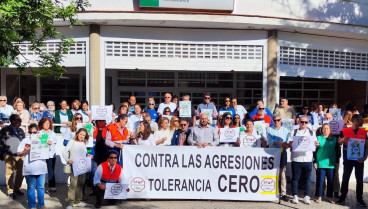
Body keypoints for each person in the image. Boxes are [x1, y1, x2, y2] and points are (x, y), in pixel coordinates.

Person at [337, 115, 368, 207]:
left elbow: (367, 146)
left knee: (359, 180)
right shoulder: (345, 130)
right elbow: (339, 142)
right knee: (345, 178)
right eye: (360, 121)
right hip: (348, 159)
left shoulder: (364, 132)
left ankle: (360, 199)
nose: (362, 122)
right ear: (354, 121)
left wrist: (365, 157)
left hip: (359, 159)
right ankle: (342, 198)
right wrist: (343, 139)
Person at [18, 124, 51, 209]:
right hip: (30, 168)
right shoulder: (25, 140)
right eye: (31, 132)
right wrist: (25, 150)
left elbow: (48, 152)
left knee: (41, 188)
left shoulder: (43, 139)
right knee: (31, 188)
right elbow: (19, 153)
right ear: (28, 132)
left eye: (35, 132)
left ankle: (41, 205)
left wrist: (49, 145)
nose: (33, 134)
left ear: (38, 131)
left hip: (41, 167)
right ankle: (32, 206)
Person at [288, 116, 318, 205]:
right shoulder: (294, 132)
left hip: (308, 159)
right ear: (299, 122)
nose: (304, 124)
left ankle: (306, 196)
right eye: (302, 122)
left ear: (308, 122)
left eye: (306, 122)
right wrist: (292, 144)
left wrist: (316, 144)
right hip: (296, 159)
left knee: (307, 179)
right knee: (295, 179)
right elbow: (289, 144)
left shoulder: (312, 132)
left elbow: (315, 145)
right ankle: (295, 196)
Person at [63, 128, 92, 209]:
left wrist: (88, 156)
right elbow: (64, 152)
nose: (82, 136)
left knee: (80, 184)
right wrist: (68, 160)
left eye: (83, 135)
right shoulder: (72, 142)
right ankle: (69, 203)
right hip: (74, 166)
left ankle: (77, 201)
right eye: (81, 134)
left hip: (83, 166)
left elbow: (84, 154)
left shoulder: (84, 143)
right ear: (77, 134)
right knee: (73, 184)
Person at [0, 114, 25, 199]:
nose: (20, 122)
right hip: (9, 155)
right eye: (18, 120)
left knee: (21, 173)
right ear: (13, 121)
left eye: (20, 120)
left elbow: (24, 142)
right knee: (9, 174)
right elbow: (1, 142)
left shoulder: (21, 130)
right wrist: (3, 155)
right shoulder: (5, 130)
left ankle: (16, 189)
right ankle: (10, 191)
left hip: (20, 155)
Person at [266, 114, 290, 201]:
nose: (276, 122)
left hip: (282, 152)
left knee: (283, 172)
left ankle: (283, 193)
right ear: (273, 121)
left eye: (278, 120)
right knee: (271, 172)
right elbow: (270, 141)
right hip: (272, 152)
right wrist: (278, 142)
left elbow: (287, 142)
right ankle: (271, 191)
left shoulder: (286, 130)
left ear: (281, 121)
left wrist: (284, 144)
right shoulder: (269, 129)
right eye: (275, 120)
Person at [314, 123, 338, 204]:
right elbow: (314, 151)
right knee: (320, 181)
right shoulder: (318, 138)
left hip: (331, 164)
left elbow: (337, 151)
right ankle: (319, 196)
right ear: (321, 130)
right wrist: (314, 162)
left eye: (327, 128)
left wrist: (337, 162)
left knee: (330, 181)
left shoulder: (334, 139)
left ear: (330, 130)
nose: (325, 130)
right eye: (324, 128)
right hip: (320, 163)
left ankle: (329, 197)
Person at [38, 118, 58, 193]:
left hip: (51, 154)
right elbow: (37, 143)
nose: (46, 125)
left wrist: (51, 142)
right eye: (45, 123)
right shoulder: (39, 133)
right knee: (41, 170)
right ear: (42, 124)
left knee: (51, 170)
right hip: (42, 154)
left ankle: (52, 186)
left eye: (48, 123)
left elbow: (55, 142)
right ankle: (41, 185)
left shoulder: (53, 133)